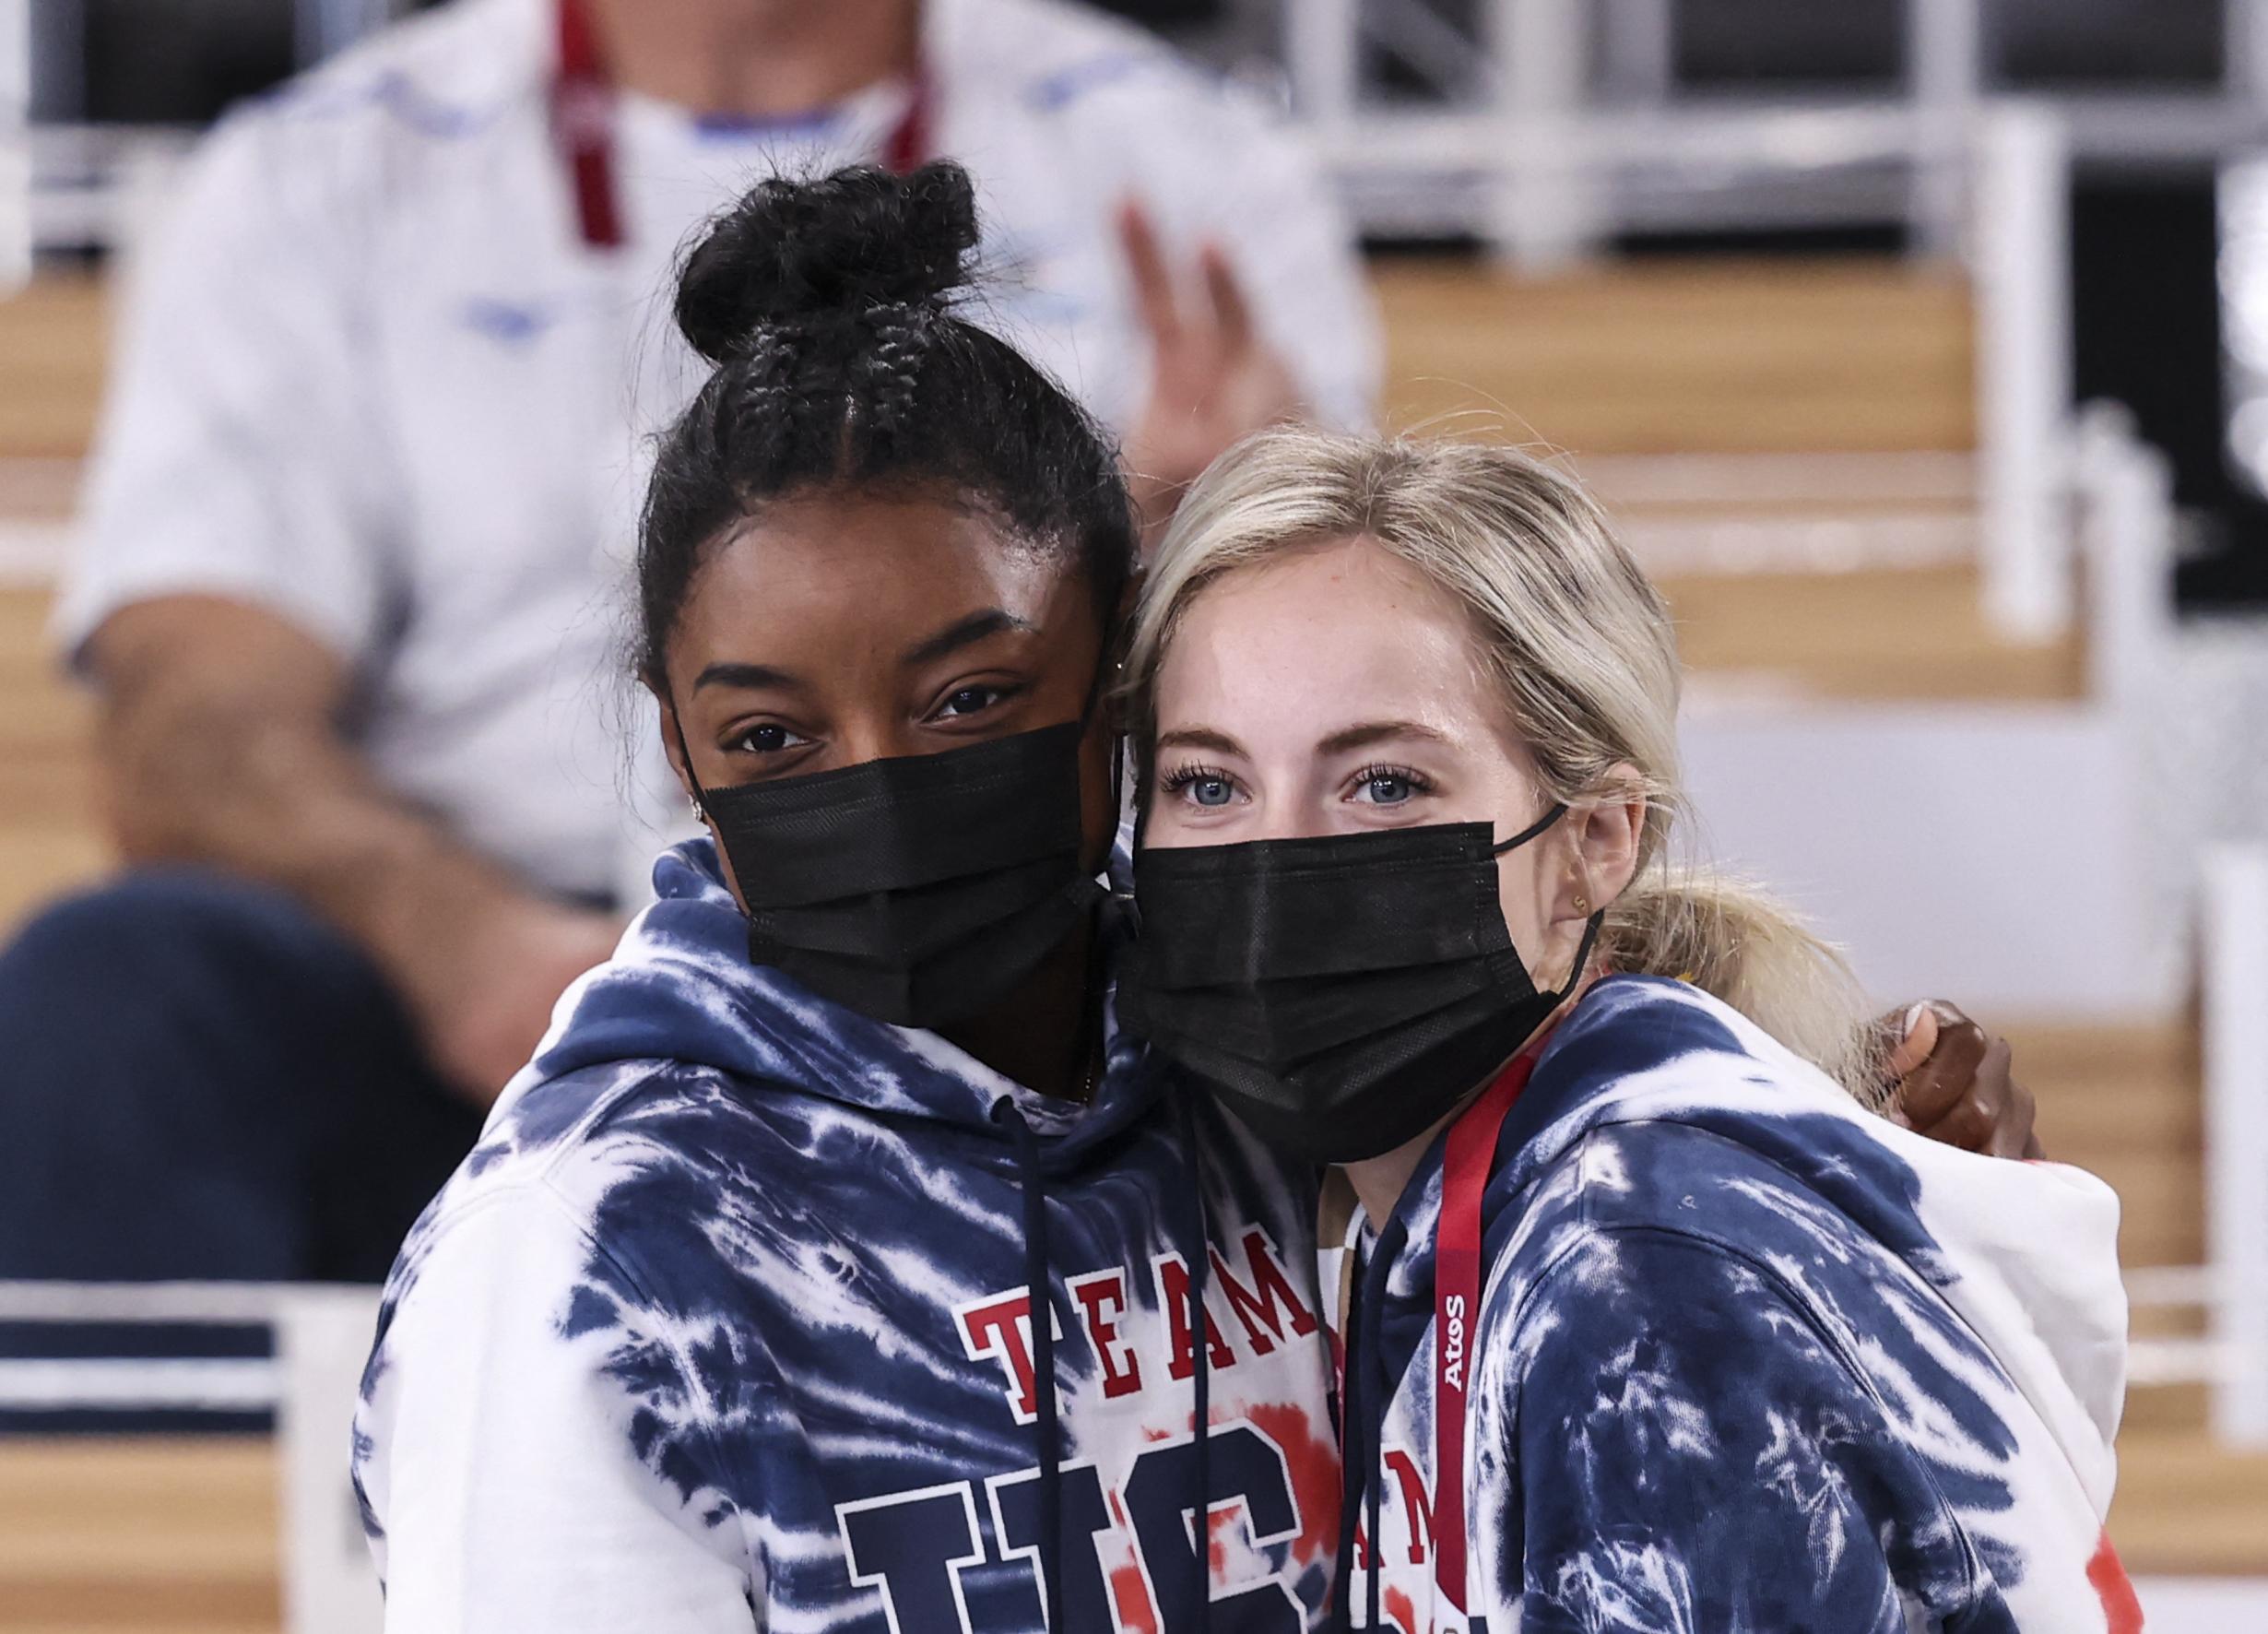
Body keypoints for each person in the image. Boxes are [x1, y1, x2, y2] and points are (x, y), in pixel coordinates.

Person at [353, 163, 2047, 1632]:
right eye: (772, 734)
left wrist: (1882, 1172)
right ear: (683, 749)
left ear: (1113, 680)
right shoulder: (590, 1253)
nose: (874, 784)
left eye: (966, 702)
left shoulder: (1242, 1045)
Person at [0, 0, 1377, 1284]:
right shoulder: (309, 178)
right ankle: (156, 1531)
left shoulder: (1182, 155)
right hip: (471, 1001)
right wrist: (468, 948)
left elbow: (1337, 715)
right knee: (118, 992)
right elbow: (192, 726)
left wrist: (1204, 568)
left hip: (1005, 952)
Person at [1116, 428, 2139, 1631]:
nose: (1277, 860)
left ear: (1595, 841)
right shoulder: (1523, 1196)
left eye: (1384, 783)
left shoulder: (1638, 1269)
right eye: (1208, 784)